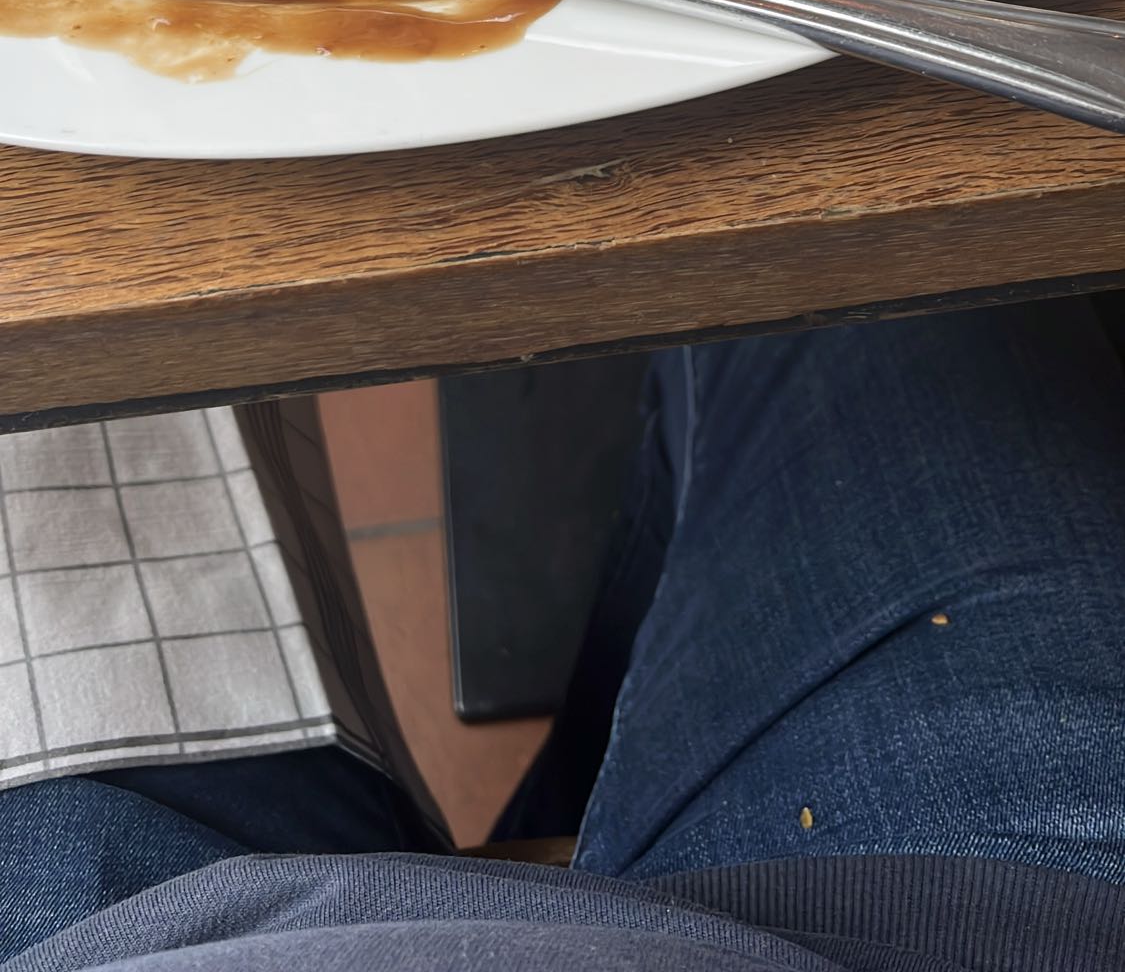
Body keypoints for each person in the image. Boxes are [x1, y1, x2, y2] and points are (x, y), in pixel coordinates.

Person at [5, 299, 1125, 971]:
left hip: (127, 929)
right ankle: (582, 768)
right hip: (994, 918)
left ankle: (572, 786)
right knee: (906, 286)